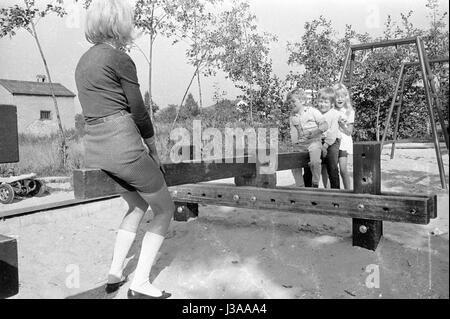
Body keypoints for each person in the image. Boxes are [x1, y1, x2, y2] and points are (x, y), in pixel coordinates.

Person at [75, 0, 174, 299]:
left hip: (97, 146)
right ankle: (141, 283)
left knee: (136, 205)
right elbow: (139, 110)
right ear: (120, 23)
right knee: (164, 208)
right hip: (123, 145)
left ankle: (115, 273)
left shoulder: (83, 61)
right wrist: (154, 147)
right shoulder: (119, 58)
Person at [288, 88, 328, 188]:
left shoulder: (312, 111)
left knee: (315, 162)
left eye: (293, 101)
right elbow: (293, 133)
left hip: (313, 142)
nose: (291, 104)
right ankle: (300, 185)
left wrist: (314, 133)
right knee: (293, 163)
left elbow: (325, 125)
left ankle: (315, 182)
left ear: (302, 101)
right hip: (300, 144)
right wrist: (294, 144)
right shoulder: (292, 117)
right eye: (289, 102)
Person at [317, 87, 341, 189]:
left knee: (332, 167)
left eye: (326, 102)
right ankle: (314, 189)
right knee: (315, 165)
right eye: (321, 101)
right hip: (319, 141)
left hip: (332, 142)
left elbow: (333, 133)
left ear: (331, 104)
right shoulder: (316, 114)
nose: (323, 104)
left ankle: (336, 191)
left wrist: (325, 146)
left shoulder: (334, 114)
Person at [333, 83, 355, 190]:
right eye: (337, 97)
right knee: (331, 169)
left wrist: (341, 125)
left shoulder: (349, 112)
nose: (340, 99)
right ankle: (333, 191)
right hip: (332, 141)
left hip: (343, 142)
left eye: (342, 96)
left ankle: (347, 191)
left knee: (343, 169)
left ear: (346, 97)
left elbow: (349, 131)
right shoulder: (331, 111)